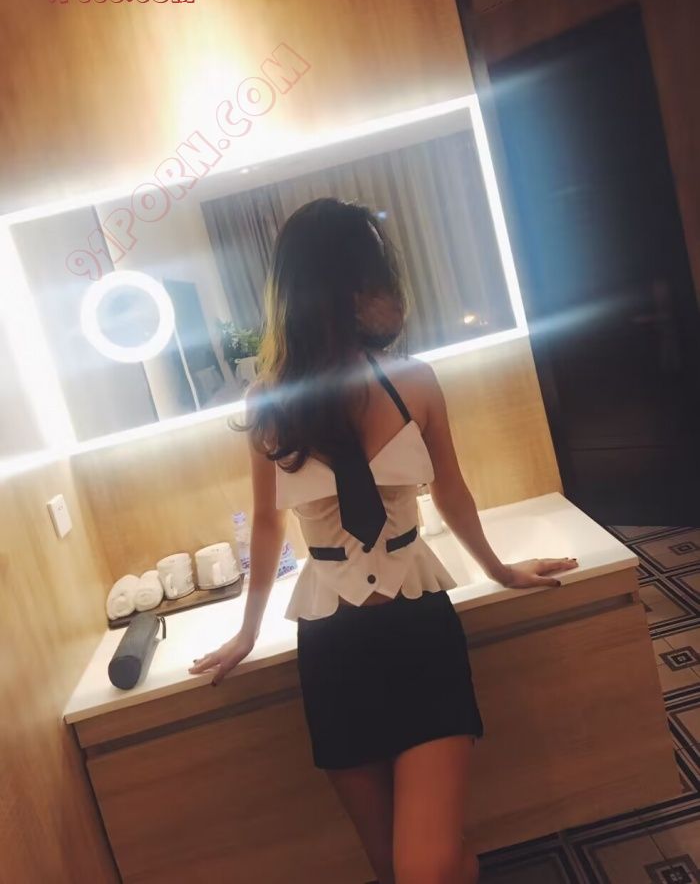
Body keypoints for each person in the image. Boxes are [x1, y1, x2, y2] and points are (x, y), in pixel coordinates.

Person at [189, 197, 578, 884]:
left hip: (419, 630)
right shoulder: (267, 401)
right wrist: (247, 631)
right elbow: (268, 522)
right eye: (369, 274)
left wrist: (498, 569)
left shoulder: (414, 381)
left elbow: (450, 490)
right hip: (333, 650)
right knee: (395, 867)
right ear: (345, 285)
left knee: (422, 868)